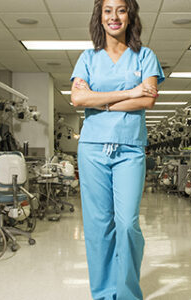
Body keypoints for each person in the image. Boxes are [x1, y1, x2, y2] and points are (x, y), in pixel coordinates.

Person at [70, 0, 164, 299]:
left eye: (121, 10)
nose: (114, 16)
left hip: (130, 149)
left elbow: (148, 100)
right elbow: (78, 100)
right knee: (98, 228)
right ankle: (103, 294)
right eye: (107, 10)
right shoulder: (87, 57)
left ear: (129, 15)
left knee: (127, 224)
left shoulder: (144, 56)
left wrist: (101, 100)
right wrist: (129, 92)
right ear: (99, 17)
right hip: (92, 149)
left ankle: (127, 294)